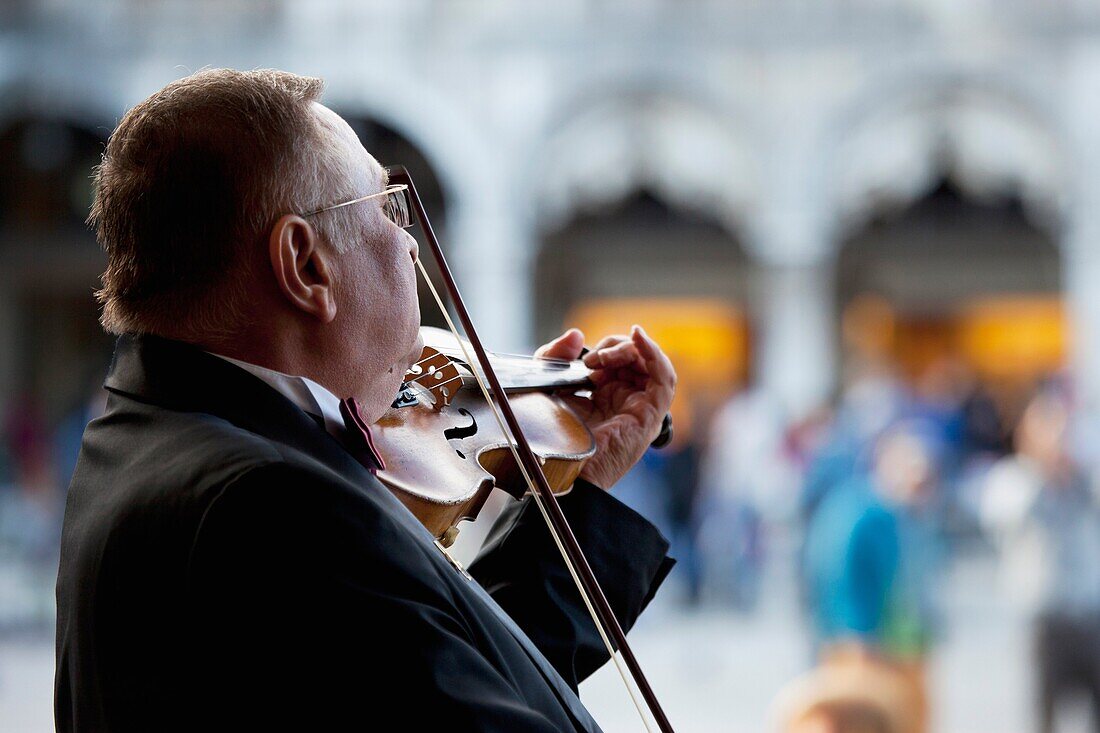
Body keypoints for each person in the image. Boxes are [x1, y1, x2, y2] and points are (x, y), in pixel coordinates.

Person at [54, 69, 677, 732]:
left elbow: (428, 683)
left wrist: (585, 489)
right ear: (306, 265)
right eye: (386, 207)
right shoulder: (272, 506)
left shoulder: (155, 439)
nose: (409, 242)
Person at [981, 390, 1100, 733]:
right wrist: (1043, 473)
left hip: (1089, 610)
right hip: (1044, 614)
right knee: (1044, 713)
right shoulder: (1013, 479)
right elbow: (1004, 519)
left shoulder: (1085, 479)